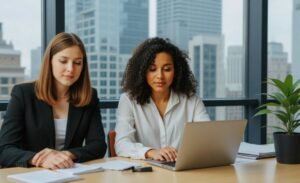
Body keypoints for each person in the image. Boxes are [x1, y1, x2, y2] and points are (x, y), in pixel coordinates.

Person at [0, 32, 107, 169]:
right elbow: (5, 149)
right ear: (50, 61)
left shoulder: (90, 96)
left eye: (77, 63)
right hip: (31, 174)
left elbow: (98, 145)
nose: (70, 69)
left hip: (70, 173)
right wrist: (40, 160)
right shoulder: (23, 93)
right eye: (63, 61)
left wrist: (66, 155)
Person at [115, 37, 210, 162]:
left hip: (183, 172)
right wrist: (151, 152)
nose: (160, 76)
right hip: (145, 174)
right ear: (142, 72)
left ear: (176, 71)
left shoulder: (191, 100)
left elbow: (207, 137)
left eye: (167, 69)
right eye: (152, 69)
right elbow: (121, 145)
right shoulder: (128, 100)